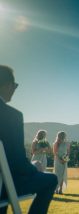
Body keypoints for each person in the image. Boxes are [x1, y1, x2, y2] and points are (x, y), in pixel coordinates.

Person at [0, 65, 57, 214]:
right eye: (15, 85)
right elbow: (16, 160)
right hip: (4, 186)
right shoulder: (11, 115)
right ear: (7, 85)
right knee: (51, 180)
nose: (14, 90)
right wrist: (33, 169)